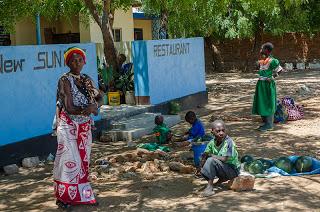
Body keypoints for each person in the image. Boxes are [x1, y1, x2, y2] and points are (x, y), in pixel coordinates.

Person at [53, 47, 101, 209]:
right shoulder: (64, 80)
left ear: (84, 61)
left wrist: (95, 106)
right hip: (68, 125)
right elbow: (68, 106)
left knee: (83, 160)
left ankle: (82, 195)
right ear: (68, 63)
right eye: (73, 60)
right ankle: (64, 197)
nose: (77, 63)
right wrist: (86, 109)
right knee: (68, 160)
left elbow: (100, 97)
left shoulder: (86, 79)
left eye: (80, 59)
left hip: (84, 126)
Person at [200, 120, 240, 197]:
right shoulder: (212, 142)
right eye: (218, 131)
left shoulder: (229, 142)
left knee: (211, 160)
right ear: (212, 132)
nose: (221, 133)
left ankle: (210, 187)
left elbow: (225, 159)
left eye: (223, 130)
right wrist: (201, 164)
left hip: (233, 170)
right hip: (224, 168)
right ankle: (221, 179)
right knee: (205, 161)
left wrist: (211, 155)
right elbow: (205, 154)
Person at [252, 42, 283, 131]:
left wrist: (272, 77)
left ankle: (269, 125)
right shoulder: (262, 61)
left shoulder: (273, 61)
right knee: (261, 102)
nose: (260, 50)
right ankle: (266, 123)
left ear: (266, 50)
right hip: (261, 84)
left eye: (262, 49)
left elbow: (280, 70)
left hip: (268, 85)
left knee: (268, 103)